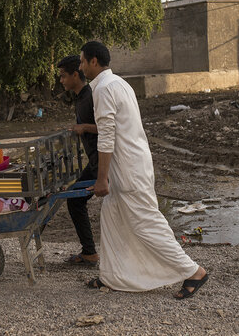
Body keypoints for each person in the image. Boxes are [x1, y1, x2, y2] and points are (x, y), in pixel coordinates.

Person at [78, 41, 208, 299]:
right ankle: (112, 277)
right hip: (132, 165)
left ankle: (193, 271)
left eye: (82, 61)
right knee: (112, 219)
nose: (80, 67)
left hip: (127, 171)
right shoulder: (119, 84)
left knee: (147, 223)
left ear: (94, 61)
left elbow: (106, 136)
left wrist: (101, 179)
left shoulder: (103, 90)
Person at [57, 55, 99, 266]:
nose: (61, 80)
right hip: (93, 162)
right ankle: (89, 252)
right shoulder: (80, 97)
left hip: (101, 163)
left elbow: (108, 127)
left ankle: (90, 253)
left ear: (75, 74)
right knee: (74, 200)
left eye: (64, 76)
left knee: (75, 200)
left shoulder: (90, 96)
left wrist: (84, 128)